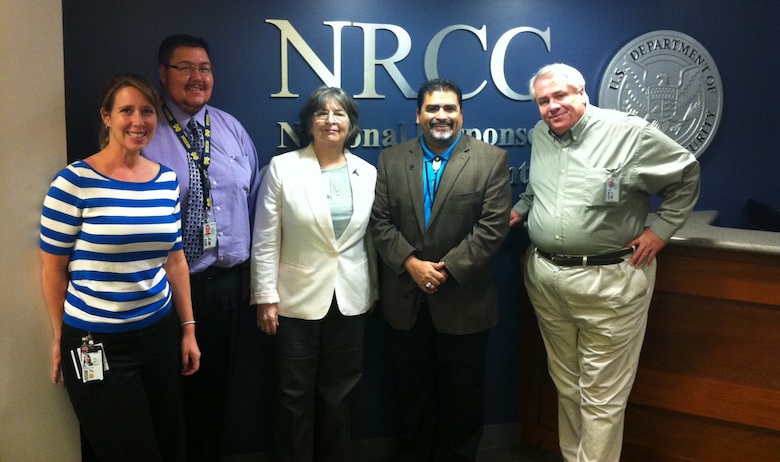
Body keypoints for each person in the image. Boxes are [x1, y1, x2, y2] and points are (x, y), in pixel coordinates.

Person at [511, 63, 700, 462]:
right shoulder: (540, 135)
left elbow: (686, 174)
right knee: (565, 384)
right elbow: (537, 189)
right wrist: (522, 208)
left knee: (602, 396)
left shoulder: (629, 133)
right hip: (547, 280)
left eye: (560, 96)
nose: (552, 107)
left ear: (582, 92)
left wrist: (660, 230)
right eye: (543, 101)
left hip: (609, 285)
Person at [40, 73, 200, 462]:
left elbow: (175, 259)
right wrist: (62, 337)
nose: (137, 121)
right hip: (97, 341)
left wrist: (188, 330)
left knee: (170, 444)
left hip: (159, 335)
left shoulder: (166, 179)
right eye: (126, 110)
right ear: (106, 117)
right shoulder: (73, 182)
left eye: (147, 111)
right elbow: (53, 270)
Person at [371, 78, 511, 461]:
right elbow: (380, 222)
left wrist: (445, 269)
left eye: (449, 108)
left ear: (461, 114)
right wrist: (412, 264)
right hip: (406, 301)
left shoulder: (490, 160)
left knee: (462, 397)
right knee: (410, 395)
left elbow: (493, 227)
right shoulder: (391, 159)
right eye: (432, 109)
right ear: (418, 115)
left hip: (465, 302)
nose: (441, 116)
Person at [142, 34, 262, 461]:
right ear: (163, 73)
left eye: (205, 68)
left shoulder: (231, 129)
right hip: (167, 289)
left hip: (226, 286)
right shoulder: (144, 129)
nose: (197, 77)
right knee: (169, 394)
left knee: (216, 393)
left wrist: (250, 278)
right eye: (185, 67)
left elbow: (252, 205)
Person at [251, 86, 378, 461]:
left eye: (339, 113)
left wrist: (373, 292)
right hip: (294, 301)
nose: (330, 120)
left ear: (351, 124)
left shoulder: (366, 172)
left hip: (350, 299)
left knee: (340, 393)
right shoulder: (284, 168)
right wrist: (265, 297)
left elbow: (368, 238)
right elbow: (265, 237)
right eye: (322, 114)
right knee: (293, 396)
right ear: (309, 123)